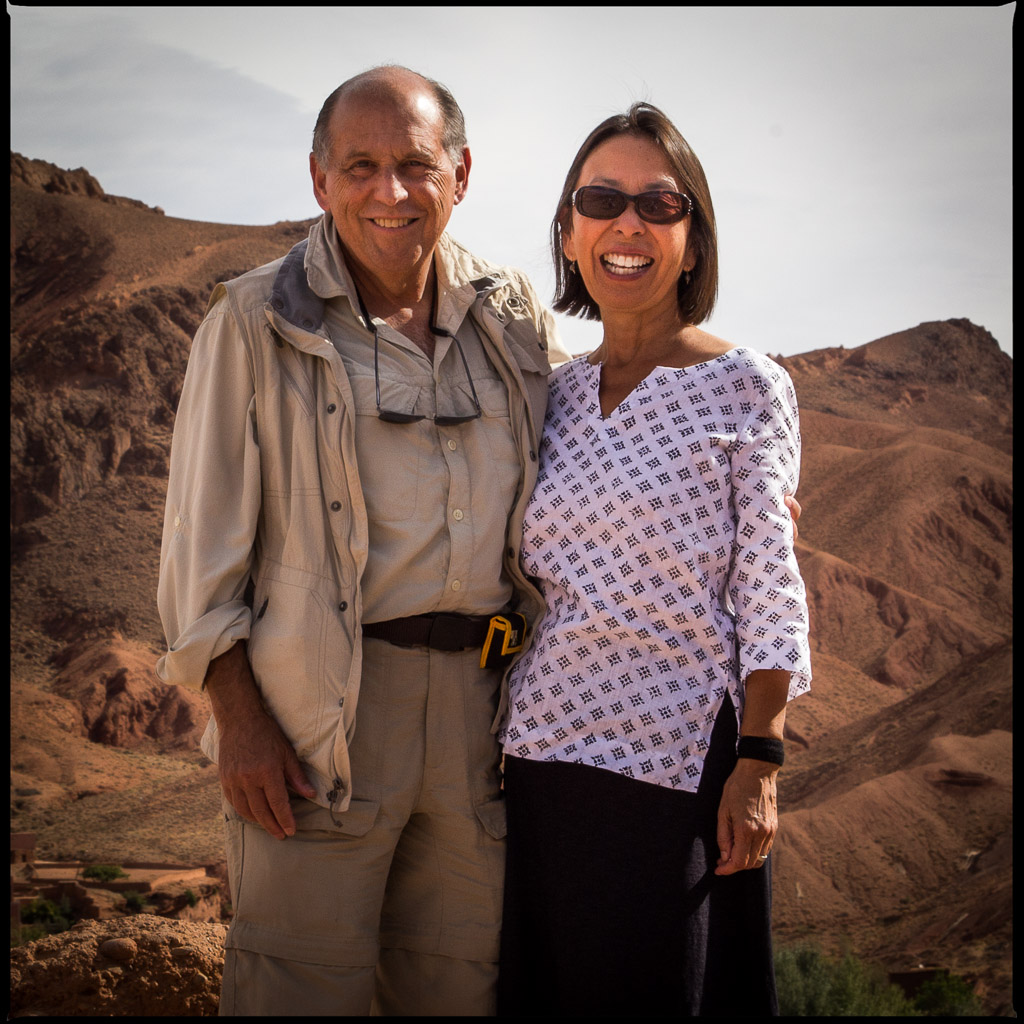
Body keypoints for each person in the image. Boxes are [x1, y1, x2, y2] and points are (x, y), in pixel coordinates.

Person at [156, 65, 563, 1016]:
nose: (390, 193)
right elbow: (196, 543)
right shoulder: (255, 322)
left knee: (456, 992)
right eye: (362, 166)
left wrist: (723, 491)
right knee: (298, 991)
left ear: (460, 175)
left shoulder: (511, 322)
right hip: (315, 727)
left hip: (480, 727)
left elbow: (593, 450)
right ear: (318, 179)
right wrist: (241, 721)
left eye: (415, 166)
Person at [496, 103, 812, 1016]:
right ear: (568, 231)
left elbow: (768, 580)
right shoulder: (546, 394)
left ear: (693, 237)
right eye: (601, 199)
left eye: (658, 204)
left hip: (676, 774)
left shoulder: (746, 385)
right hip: (542, 768)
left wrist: (759, 761)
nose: (627, 224)